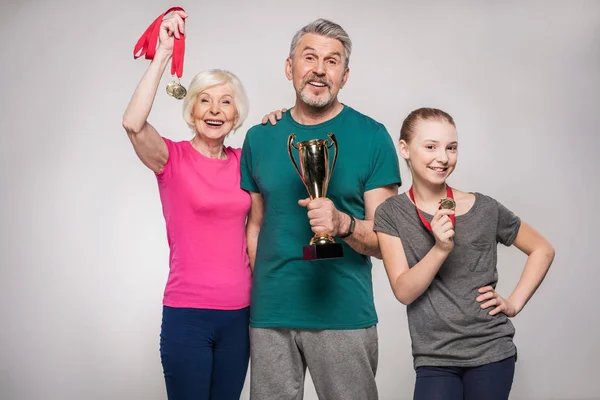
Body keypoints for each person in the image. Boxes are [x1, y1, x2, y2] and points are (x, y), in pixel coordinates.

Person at [241, 18, 401, 400]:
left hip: (342, 315)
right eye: (309, 57)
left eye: (332, 61)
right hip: (270, 318)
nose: (319, 69)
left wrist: (344, 223)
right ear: (289, 67)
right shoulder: (260, 138)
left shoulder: (372, 136)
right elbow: (254, 226)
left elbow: (388, 242)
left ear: (344, 75)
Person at [374, 107, 555, 400]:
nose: (443, 158)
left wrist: (514, 303)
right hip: (434, 356)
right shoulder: (391, 213)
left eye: (451, 148)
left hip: (491, 351)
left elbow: (542, 249)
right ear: (405, 149)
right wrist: (440, 249)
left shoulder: (485, 208)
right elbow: (404, 291)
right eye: (430, 146)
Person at [122, 10, 252, 400]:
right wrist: (163, 53)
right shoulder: (171, 159)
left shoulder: (248, 161)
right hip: (187, 314)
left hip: (240, 314)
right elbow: (133, 123)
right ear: (192, 111)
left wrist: (281, 119)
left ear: (236, 115)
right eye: (205, 102)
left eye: (225, 102)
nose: (215, 110)